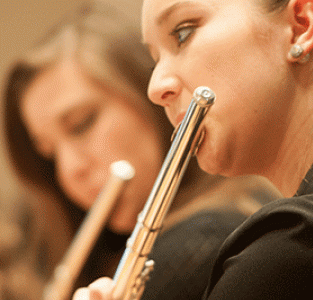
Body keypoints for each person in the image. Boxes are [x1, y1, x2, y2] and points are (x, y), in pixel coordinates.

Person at [72, 0, 313, 299]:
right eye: (155, 58)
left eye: (183, 32)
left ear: (301, 23)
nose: (156, 86)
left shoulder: (301, 242)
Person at [2, 2, 281, 299]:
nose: (70, 170)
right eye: (49, 154)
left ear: (150, 94)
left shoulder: (198, 243)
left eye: (81, 124)